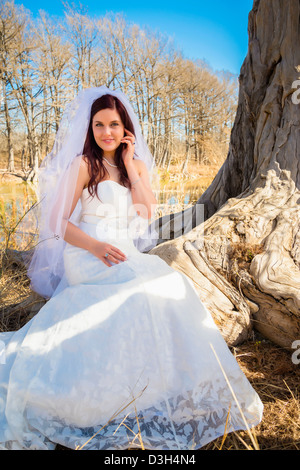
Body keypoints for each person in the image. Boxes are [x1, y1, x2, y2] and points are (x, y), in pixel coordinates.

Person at [0, 87, 263, 450]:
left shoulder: (133, 165)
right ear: (90, 128)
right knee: (136, 290)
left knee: (169, 285)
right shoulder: (83, 165)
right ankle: (108, 390)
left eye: (113, 124)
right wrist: (95, 246)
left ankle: (157, 383)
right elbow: (57, 221)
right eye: (98, 125)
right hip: (87, 254)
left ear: (125, 129)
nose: (105, 132)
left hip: (122, 252)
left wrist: (127, 164)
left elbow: (145, 212)